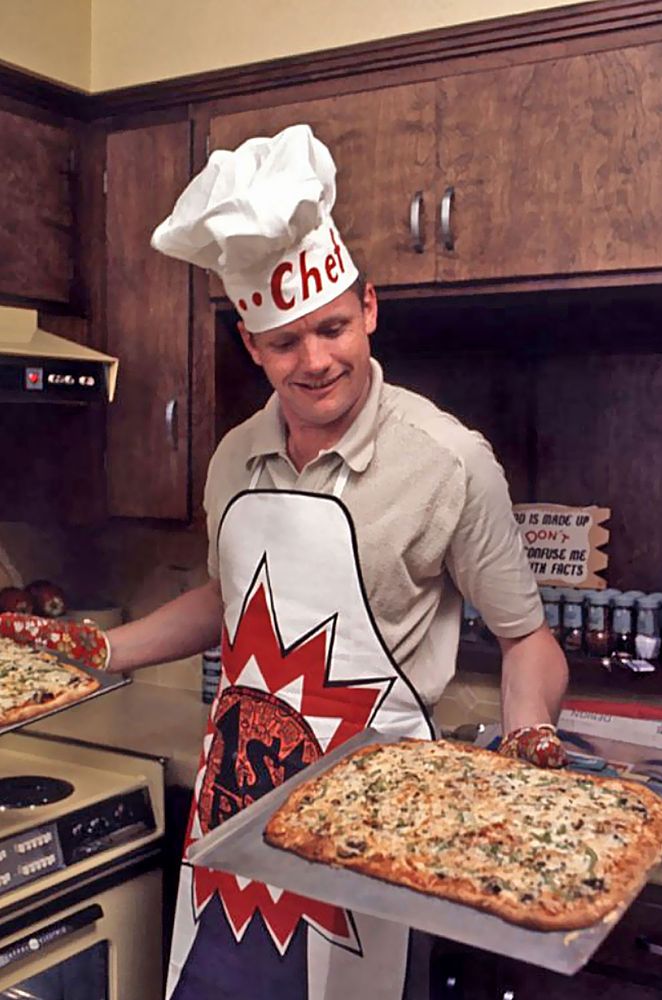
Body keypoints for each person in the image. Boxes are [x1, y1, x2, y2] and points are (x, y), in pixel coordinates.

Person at [1, 125, 568, 1000]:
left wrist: (529, 741)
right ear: (250, 345)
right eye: (284, 342)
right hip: (233, 818)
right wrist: (100, 649)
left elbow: (527, 637)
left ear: (369, 307)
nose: (316, 362)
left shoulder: (450, 462)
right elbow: (228, 600)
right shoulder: (234, 456)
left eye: (333, 328)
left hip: (377, 832)